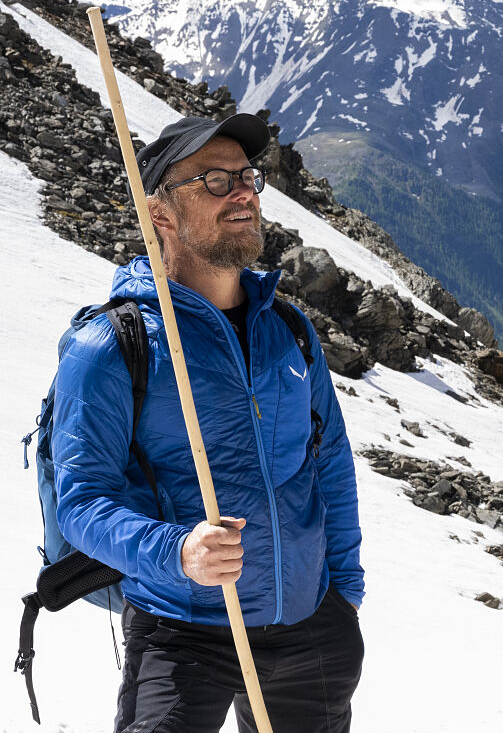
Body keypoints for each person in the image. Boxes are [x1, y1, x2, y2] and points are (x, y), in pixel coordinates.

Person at [52, 113, 365, 732]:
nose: (244, 192)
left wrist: (343, 593)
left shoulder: (290, 331)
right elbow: (82, 502)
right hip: (181, 626)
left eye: (247, 176)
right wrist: (179, 552)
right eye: (215, 182)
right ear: (160, 213)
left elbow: (327, 463)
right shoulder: (112, 346)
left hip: (309, 624)